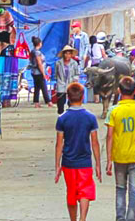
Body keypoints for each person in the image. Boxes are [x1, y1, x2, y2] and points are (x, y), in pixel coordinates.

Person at [55, 83, 103, 221]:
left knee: (71, 192)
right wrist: (98, 164)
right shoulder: (90, 117)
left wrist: (57, 165)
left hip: (68, 162)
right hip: (85, 161)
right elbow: (94, 142)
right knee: (85, 191)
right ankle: (83, 218)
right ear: (83, 97)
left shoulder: (62, 118)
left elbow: (59, 144)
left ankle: (73, 219)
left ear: (68, 98)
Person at [105, 77, 135, 221]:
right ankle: (131, 218)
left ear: (119, 91)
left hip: (119, 157)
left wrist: (108, 159)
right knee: (134, 191)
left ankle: (120, 218)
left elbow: (110, 136)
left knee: (120, 189)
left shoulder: (113, 110)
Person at [55, 45, 82, 114]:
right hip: (61, 84)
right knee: (60, 103)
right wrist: (58, 82)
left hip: (71, 84)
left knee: (71, 103)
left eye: (69, 53)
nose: (67, 55)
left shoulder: (74, 63)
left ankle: (70, 116)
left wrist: (75, 79)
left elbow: (77, 74)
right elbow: (56, 74)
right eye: (66, 53)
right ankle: (61, 116)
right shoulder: (58, 63)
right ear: (63, 54)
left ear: (71, 55)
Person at [29, 36, 53, 108]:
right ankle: (48, 101)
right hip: (38, 72)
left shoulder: (32, 51)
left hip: (34, 72)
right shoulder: (37, 53)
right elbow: (39, 63)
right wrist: (43, 73)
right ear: (39, 43)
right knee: (43, 87)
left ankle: (36, 102)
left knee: (37, 87)